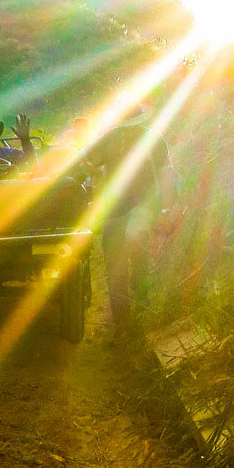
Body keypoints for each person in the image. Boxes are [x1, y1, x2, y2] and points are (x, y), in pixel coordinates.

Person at [80, 121, 179, 343]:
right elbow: (88, 164)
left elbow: (166, 175)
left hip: (143, 208)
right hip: (115, 212)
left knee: (137, 252)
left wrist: (164, 209)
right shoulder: (112, 137)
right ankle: (124, 327)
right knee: (115, 268)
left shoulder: (153, 138)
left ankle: (140, 317)